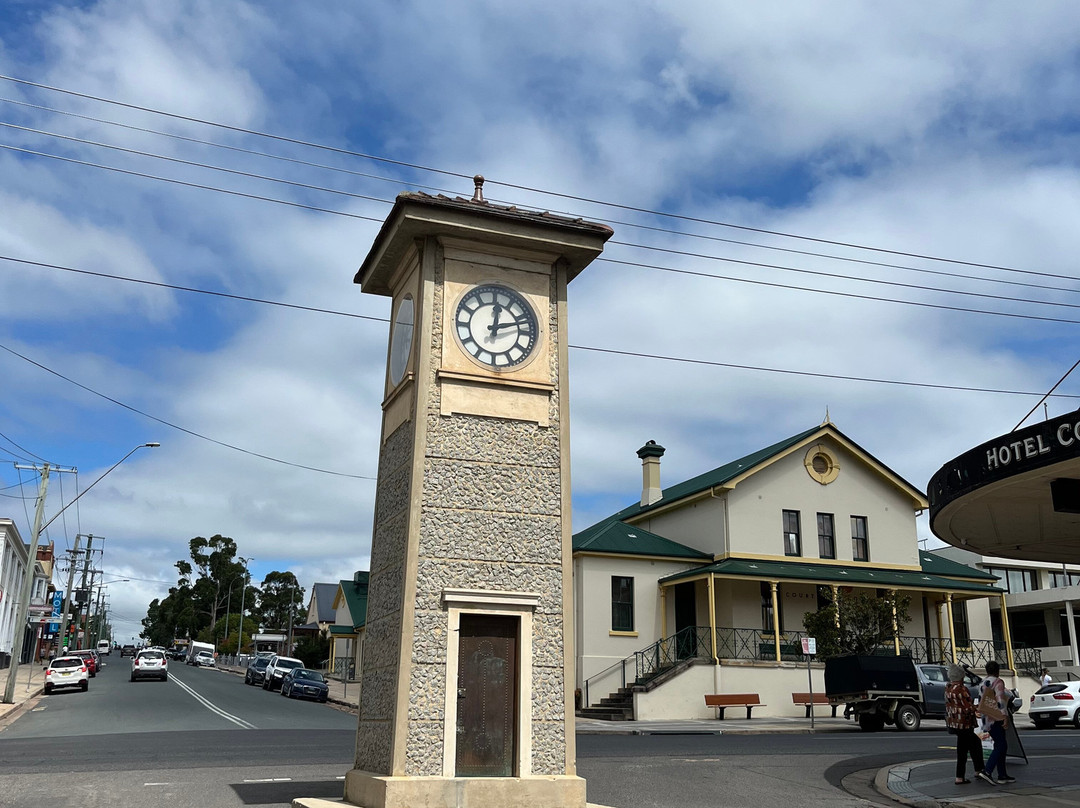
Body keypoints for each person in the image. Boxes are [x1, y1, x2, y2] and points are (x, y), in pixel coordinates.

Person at [945, 664, 986, 785]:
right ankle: (962, 776)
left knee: (971, 745)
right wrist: (978, 708)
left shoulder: (948, 688)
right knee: (965, 748)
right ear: (961, 676)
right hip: (965, 723)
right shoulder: (961, 689)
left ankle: (977, 770)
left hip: (954, 722)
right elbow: (967, 707)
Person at [978, 660, 1015, 785]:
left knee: (999, 744)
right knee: (1001, 745)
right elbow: (1000, 700)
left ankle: (1002, 774)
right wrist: (1005, 716)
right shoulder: (998, 682)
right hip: (996, 718)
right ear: (997, 671)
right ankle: (987, 770)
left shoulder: (982, 682)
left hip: (986, 717)